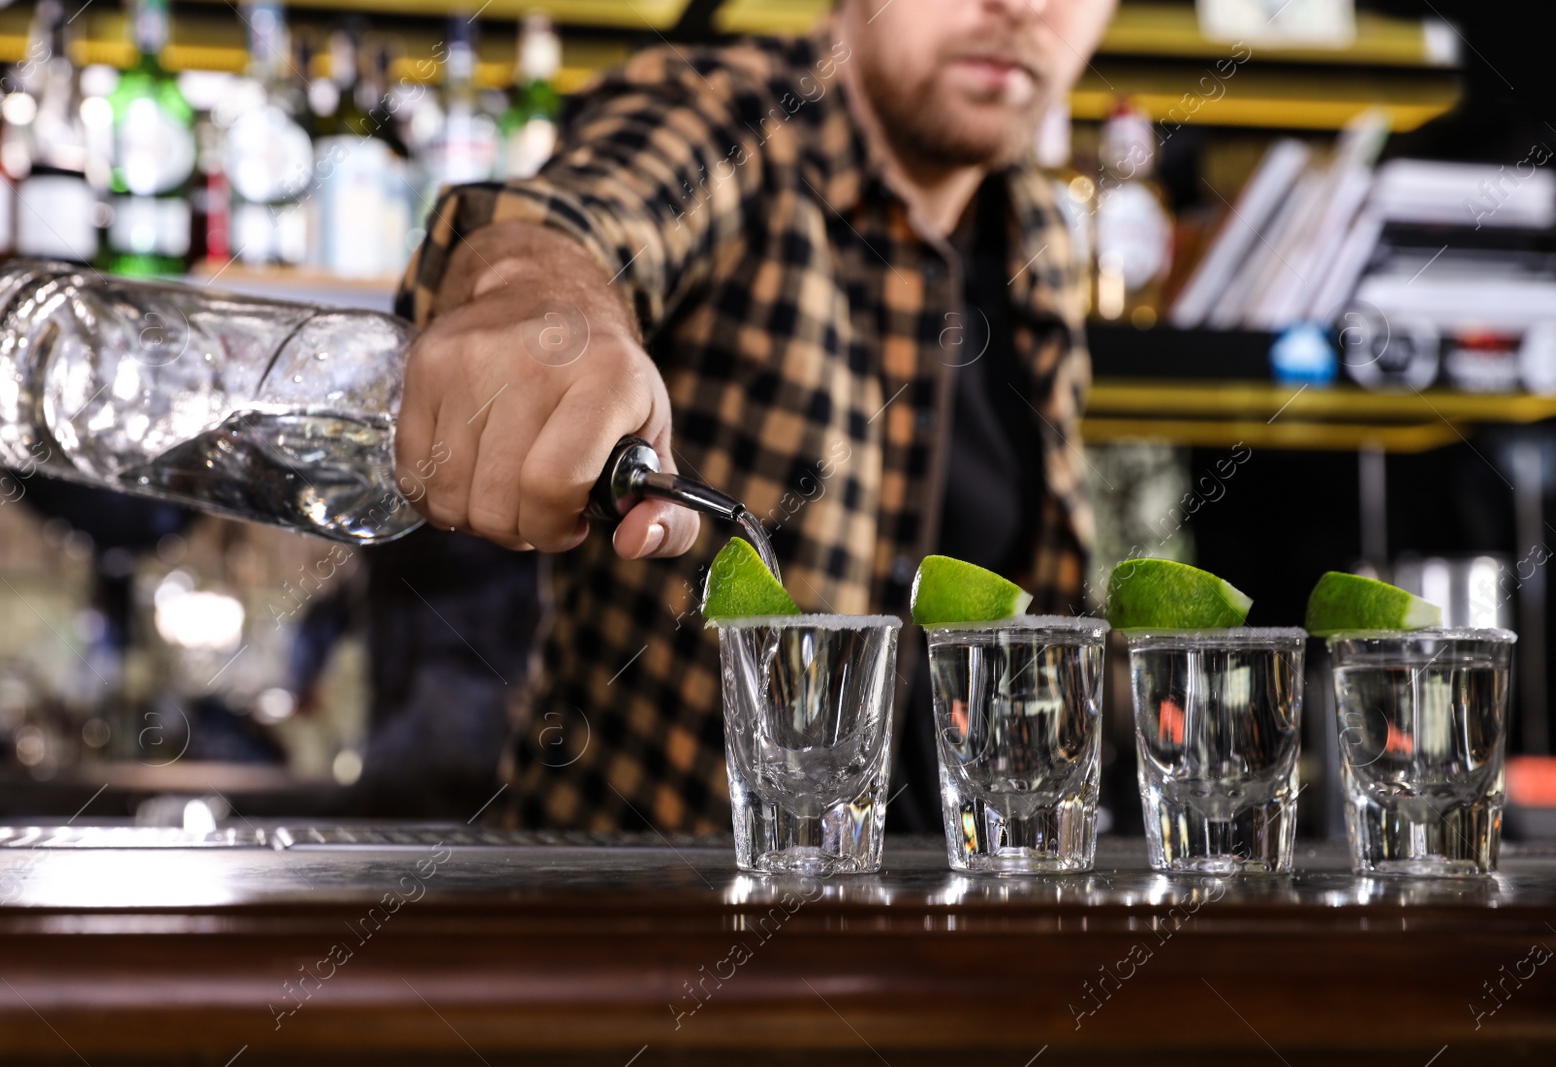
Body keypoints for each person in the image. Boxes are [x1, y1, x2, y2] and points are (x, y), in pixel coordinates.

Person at [395, 0, 1116, 831]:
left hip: (943, 925)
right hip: (650, 917)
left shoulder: (1042, 237)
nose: (1024, 6)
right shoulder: (727, 113)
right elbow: (576, 220)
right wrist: (544, 306)